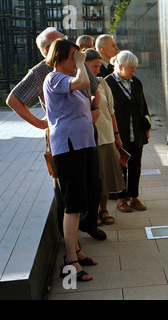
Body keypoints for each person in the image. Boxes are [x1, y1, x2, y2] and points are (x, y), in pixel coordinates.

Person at [6, 27, 106, 241]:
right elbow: (13, 100)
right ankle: (70, 239)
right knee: (66, 189)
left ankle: (89, 224)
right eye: (59, 42)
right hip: (65, 137)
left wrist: (96, 108)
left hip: (86, 130)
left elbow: (95, 90)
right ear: (47, 50)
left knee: (94, 178)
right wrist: (41, 123)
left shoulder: (73, 62)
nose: (66, 44)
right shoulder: (41, 72)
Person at [44, 38, 98, 282]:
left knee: (81, 198)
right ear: (61, 57)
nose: (78, 60)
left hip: (82, 145)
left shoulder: (66, 81)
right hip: (69, 148)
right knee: (73, 202)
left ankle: (75, 249)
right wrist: (81, 62)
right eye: (73, 56)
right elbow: (84, 81)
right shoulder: (54, 78)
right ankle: (70, 260)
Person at [105, 50, 151, 212]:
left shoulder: (135, 82)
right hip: (119, 133)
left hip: (136, 133)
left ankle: (134, 197)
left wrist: (146, 128)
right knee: (120, 167)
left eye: (134, 67)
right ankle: (120, 199)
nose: (134, 70)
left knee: (135, 167)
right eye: (131, 67)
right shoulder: (107, 83)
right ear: (120, 65)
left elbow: (143, 106)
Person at [84, 48, 124, 224]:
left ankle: (104, 209)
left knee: (107, 176)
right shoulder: (76, 85)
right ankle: (91, 213)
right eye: (94, 66)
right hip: (88, 140)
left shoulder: (102, 82)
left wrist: (116, 135)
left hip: (107, 136)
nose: (97, 70)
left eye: (99, 66)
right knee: (92, 179)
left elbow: (111, 111)